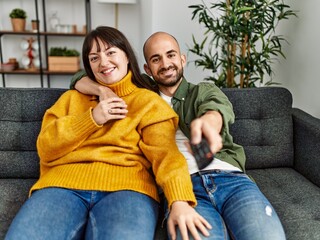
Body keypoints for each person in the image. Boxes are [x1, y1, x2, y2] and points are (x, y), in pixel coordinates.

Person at [70, 31, 286, 240]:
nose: (165, 64)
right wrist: (103, 91)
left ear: (182, 59)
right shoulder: (142, 92)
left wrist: (208, 123)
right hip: (183, 189)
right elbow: (79, 76)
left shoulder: (202, 91)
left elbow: (217, 108)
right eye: (156, 59)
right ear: (147, 68)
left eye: (171, 55)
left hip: (232, 180)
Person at [5, 27, 212, 240]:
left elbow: (166, 155)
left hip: (128, 190)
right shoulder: (70, 99)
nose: (103, 62)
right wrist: (92, 118)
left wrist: (180, 201)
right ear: (89, 66)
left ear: (127, 56)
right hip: (60, 187)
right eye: (94, 57)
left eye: (111, 52)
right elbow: (46, 148)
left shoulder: (149, 103)